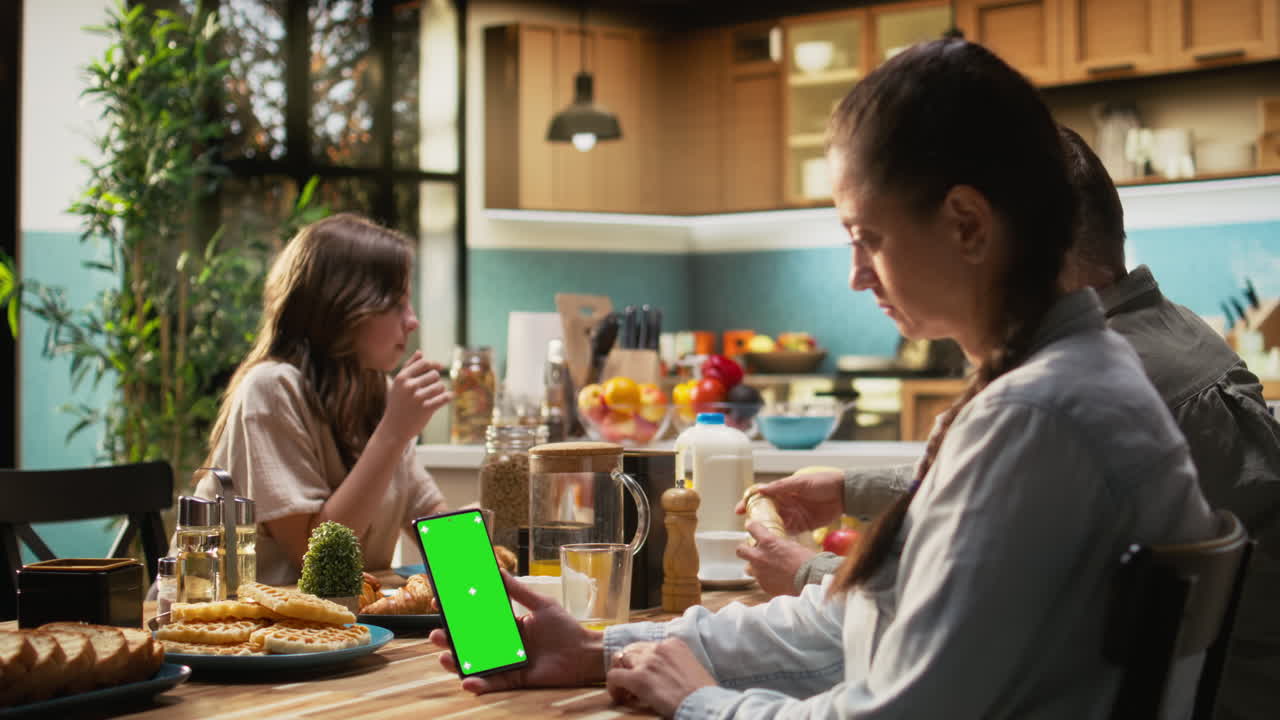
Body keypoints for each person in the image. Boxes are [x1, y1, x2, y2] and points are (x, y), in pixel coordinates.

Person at [429, 38, 1215, 718]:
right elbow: (859, 626)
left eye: (867, 237)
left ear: (968, 224)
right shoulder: (1068, 381)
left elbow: (900, 711)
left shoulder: (1040, 417)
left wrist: (701, 702)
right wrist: (606, 648)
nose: (853, 277)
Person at [742, 125, 1280, 720]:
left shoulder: (1085, 389)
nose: (866, 274)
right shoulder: (1168, 333)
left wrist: (813, 575)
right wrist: (850, 490)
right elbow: (1015, 493)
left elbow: (954, 639)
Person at [193, 213, 452, 585]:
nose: (412, 321)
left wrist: (477, 551)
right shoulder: (269, 390)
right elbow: (316, 561)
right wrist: (392, 434)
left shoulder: (374, 390)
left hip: (342, 631)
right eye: (395, 303)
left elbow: (431, 522)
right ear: (344, 308)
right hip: (243, 631)